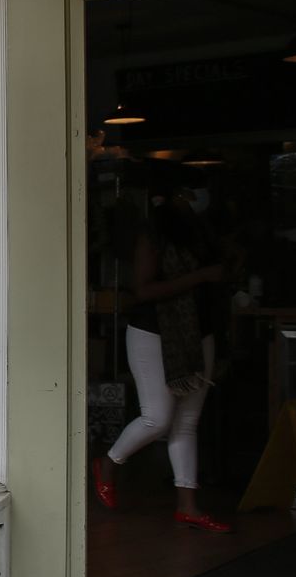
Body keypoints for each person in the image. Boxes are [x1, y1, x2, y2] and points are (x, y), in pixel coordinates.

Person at [93, 177, 231, 532]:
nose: (196, 199)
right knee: (158, 417)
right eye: (187, 193)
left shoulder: (202, 236)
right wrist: (201, 276)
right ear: (171, 200)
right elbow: (144, 290)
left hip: (198, 333)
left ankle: (188, 504)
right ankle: (109, 463)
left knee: (187, 422)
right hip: (152, 333)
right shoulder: (152, 237)